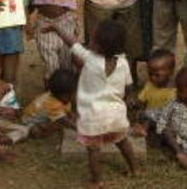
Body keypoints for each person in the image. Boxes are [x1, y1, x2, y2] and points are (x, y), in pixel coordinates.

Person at [45, 19, 137, 188]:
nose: (90, 41)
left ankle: (97, 181)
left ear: (98, 46)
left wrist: (57, 28)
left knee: (94, 150)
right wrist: (130, 97)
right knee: (122, 141)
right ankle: (135, 169)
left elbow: (72, 42)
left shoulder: (90, 59)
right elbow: (129, 86)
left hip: (93, 117)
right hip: (116, 116)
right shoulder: (123, 63)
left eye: (93, 39)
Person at [21, 69, 78, 138]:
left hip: (45, 117)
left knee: (64, 120)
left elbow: (68, 110)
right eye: (73, 93)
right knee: (36, 132)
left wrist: (71, 115)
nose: (75, 95)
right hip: (31, 121)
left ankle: (50, 124)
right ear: (64, 95)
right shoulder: (53, 105)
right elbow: (67, 122)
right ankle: (35, 128)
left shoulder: (61, 98)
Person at [132, 49, 176, 137]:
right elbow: (141, 100)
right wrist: (135, 104)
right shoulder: (149, 85)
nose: (152, 78)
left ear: (170, 72)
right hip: (151, 117)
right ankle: (143, 129)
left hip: (167, 119)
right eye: (150, 74)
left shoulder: (175, 91)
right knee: (144, 115)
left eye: (157, 75)